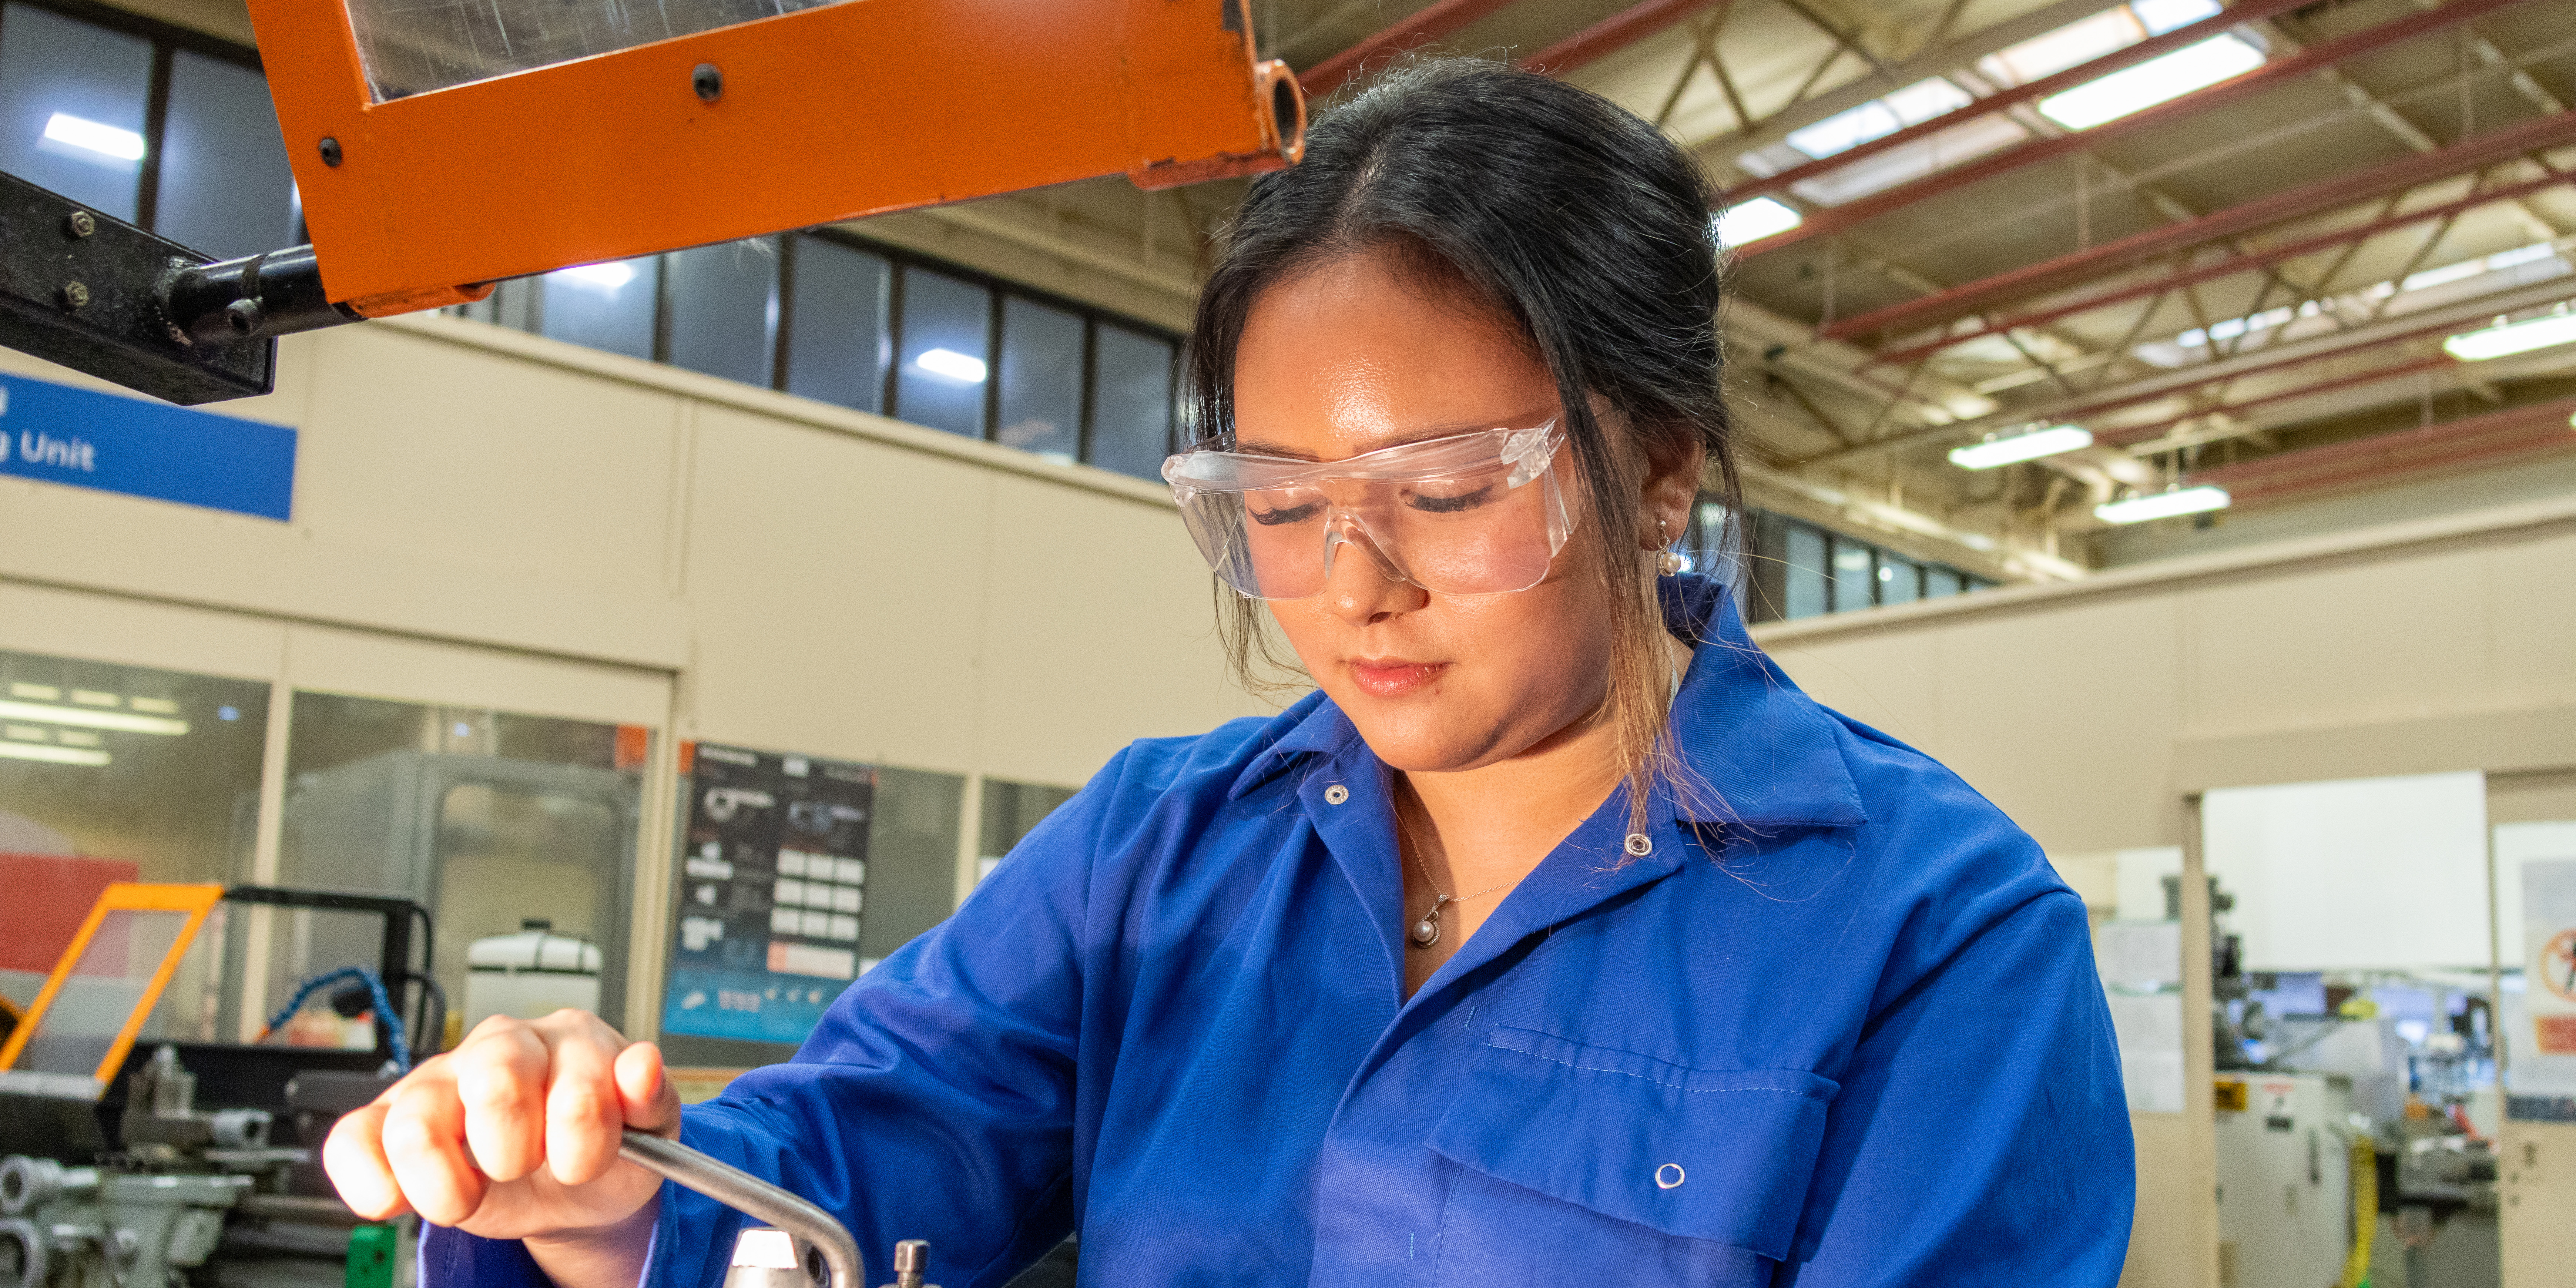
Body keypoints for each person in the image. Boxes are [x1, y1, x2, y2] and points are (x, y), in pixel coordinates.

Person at [327, 60, 2134, 1287]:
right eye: (1276, 502)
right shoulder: (1159, 855)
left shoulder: (1936, 940)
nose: (1352, 587)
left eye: (1445, 492)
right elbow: (852, 1153)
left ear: (1661, 465)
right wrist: (613, 1189)